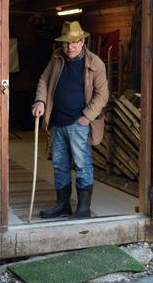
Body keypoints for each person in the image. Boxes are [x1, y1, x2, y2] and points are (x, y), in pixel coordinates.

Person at [32, 21, 109, 219]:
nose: (70, 47)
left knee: (82, 164)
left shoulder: (95, 63)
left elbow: (102, 94)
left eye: (74, 42)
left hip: (79, 122)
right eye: (66, 43)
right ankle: (62, 205)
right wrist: (40, 101)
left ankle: (83, 209)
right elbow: (44, 79)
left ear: (83, 42)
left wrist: (86, 116)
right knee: (59, 164)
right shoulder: (57, 58)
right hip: (57, 121)